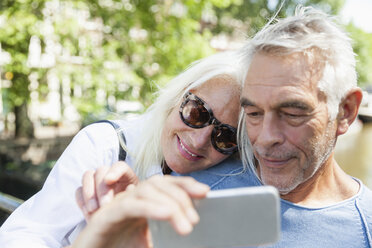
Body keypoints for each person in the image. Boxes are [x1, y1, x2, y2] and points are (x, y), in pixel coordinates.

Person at [70, 5, 372, 248]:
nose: (264, 140)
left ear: (345, 112)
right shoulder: (195, 191)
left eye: (292, 113)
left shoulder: (366, 226)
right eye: (253, 113)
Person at [0, 50, 255, 247]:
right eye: (198, 114)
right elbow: (26, 234)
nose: (199, 140)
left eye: (225, 137)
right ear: (180, 97)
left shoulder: (227, 181)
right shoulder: (104, 145)